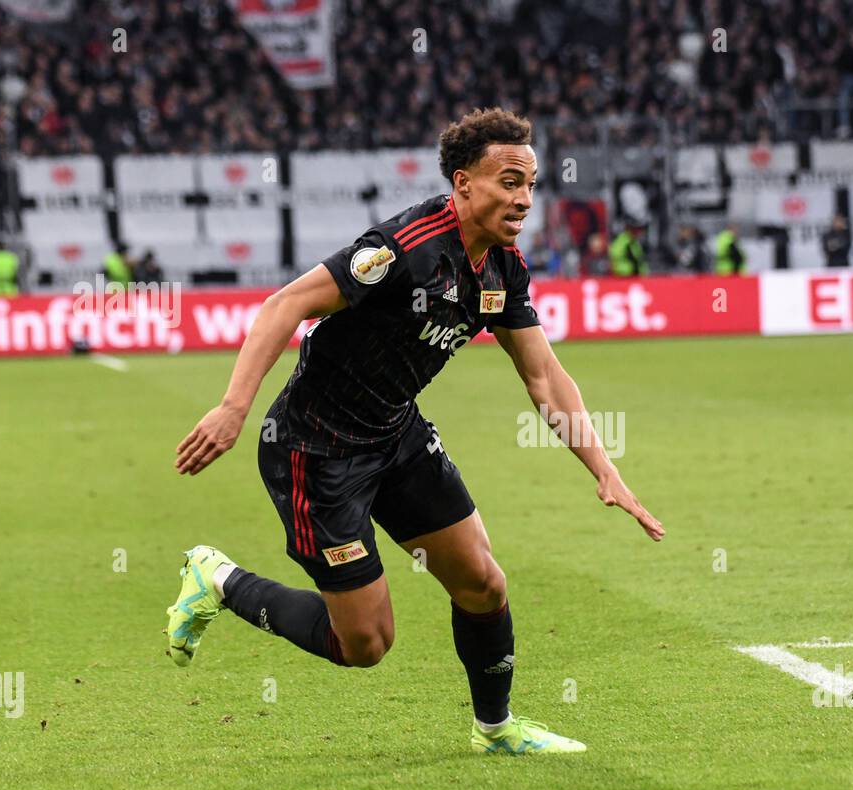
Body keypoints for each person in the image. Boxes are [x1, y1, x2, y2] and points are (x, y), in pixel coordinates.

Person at [166, 108, 664, 755]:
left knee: (483, 582)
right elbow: (285, 304)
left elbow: (544, 376)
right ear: (463, 184)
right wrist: (234, 406)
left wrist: (604, 469)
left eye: (531, 184)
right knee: (365, 644)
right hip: (315, 453)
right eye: (508, 181)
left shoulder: (502, 269)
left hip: (394, 434)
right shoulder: (403, 248)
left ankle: (496, 729)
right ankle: (219, 580)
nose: (523, 198)